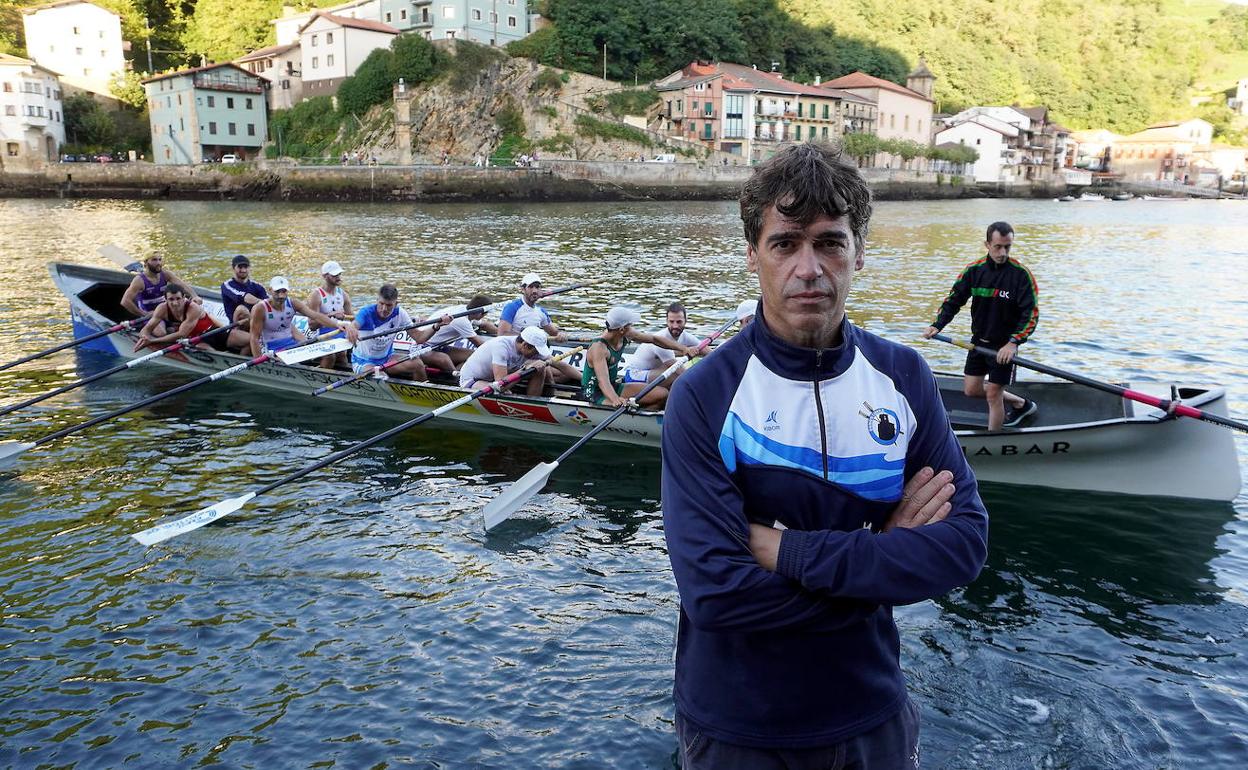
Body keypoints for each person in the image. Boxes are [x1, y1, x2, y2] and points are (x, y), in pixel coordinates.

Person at [661, 142, 988, 769]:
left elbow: (963, 546)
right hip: (738, 731)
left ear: (858, 254)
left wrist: (784, 551)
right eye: (786, 243)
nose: (809, 268)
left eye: (830, 243)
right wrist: (885, 556)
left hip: (873, 716)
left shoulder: (905, 376)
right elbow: (717, 594)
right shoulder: (705, 396)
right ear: (754, 254)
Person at [922, 221, 1040, 430]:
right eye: (998, 247)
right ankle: (1021, 403)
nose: (1003, 252)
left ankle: (993, 441)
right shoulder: (974, 271)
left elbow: (1031, 315)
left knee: (994, 394)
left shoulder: (1021, 275)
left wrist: (1013, 343)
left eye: (1007, 247)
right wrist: (937, 326)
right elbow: (953, 301)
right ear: (987, 244)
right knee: (971, 390)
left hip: (1003, 347)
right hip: (978, 343)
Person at [581, 306, 700, 409]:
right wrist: (615, 400)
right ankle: (635, 417)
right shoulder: (599, 348)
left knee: (662, 393)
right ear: (622, 329)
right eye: (630, 324)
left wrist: (683, 349)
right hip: (594, 393)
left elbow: (654, 339)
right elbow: (603, 381)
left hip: (613, 386)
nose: (632, 326)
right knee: (621, 403)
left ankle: (641, 416)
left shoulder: (626, 334)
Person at [498, 273, 579, 385]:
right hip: (516, 353)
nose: (535, 291)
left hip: (533, 352)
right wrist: (527, 338)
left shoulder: (541, 312)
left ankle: (586, 381)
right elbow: (501, 335)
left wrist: (561, 334)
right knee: (547, 373)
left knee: (565, 373)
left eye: (537, 287)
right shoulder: (512, 307)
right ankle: (545, 389)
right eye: (531, 287)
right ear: (523, 289)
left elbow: (554, 332)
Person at [345, 283, 428, 380]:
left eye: (389, 305)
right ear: (377, 300)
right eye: (381, 304)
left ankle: (421, 393)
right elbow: (354, 325)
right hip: (363, 362)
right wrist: (351, 328)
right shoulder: (366, 313)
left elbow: (419, 337)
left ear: (396, 304)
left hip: (387, 359)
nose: (384, 309)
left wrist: (436, 326)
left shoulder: (400, 313)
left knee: (418, 365)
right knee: (382, 377)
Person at [250, 276, 347, 357]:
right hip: (271, 348)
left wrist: (337, 324)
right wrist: (258, 362)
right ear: (270, 290)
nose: (281, 296)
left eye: (284, 291)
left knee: (328, 355)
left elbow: (316, 316)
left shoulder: (293, 303)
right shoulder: (260, 309)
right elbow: (254, 338)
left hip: (292, 345)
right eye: (277, 291)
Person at [619, 302, 703, 389]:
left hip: (652, 372)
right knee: (675, 374)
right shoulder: (662, 337)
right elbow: (677, 369)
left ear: (685, 321)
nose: (675, 326)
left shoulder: (686, 336)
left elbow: (705, 349)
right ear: (666, 321)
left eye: (679, 322)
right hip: (634, 376)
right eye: (671, 322)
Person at [458, 326, 553, 396]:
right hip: (472, 380)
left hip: (494, 379)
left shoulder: (529, 346)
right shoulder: (501, 347)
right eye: (535, 351)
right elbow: (500, 386)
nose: (537, 354)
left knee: (540, 368)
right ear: (525, 345)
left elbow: (559, 364)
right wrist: (525, 369)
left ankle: (534, 402)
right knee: (503, 392)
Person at [412, 295, 493, 374]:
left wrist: (503, 335)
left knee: (473, 356)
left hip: (439, 347)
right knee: (444, 359)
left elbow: (485, 325)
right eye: (486, 313)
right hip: (421, 348)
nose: (486, 315)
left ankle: (457, 375)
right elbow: (480, 344)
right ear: (480, 314)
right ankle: (456, 380)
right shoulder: (461, 320)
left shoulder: (467, 310)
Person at [134, 285, 226, 352]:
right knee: (203, 347)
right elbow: (147, 329)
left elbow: (182, 334)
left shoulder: (193, 308)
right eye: (171, 299)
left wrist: (153, 341)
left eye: (178, 299)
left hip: (210, 332)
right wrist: (144, 338)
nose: (175, 303)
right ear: (165, 300)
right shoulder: (161, 308)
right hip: (193, 338)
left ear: (184, 298)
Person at [306, 260, 353, 369]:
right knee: (330, 356)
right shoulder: (315, 296)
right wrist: (331, 315)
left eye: (339, 274)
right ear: (325, 276)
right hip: (322, 333)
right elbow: (312, 325)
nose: (338, 277)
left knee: (342, 355)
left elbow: (352, 318)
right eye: (334, 275)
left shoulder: (343, 294)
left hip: (339, 331)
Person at [120, 253, 199, 317]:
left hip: (165, 309)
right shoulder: (139, 281)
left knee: (191, 316)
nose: (158, 263)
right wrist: (144, 314)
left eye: (160, 259)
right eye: (154, 260)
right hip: (149, 312)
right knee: (160, 333)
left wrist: (194, 295)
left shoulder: (166, 274)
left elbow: (182, 285)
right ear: (146, 263)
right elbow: (125, 301)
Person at [220, 255, 267, 352]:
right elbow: (245, 298)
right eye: (240, 267)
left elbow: (270, 302)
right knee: (241, 309)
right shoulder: (227, 285)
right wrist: (263, 302)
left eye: (245, 267)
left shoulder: (257, 286)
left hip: (254, 326)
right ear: (233, 268)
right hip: (236, 328)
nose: (243, 270)